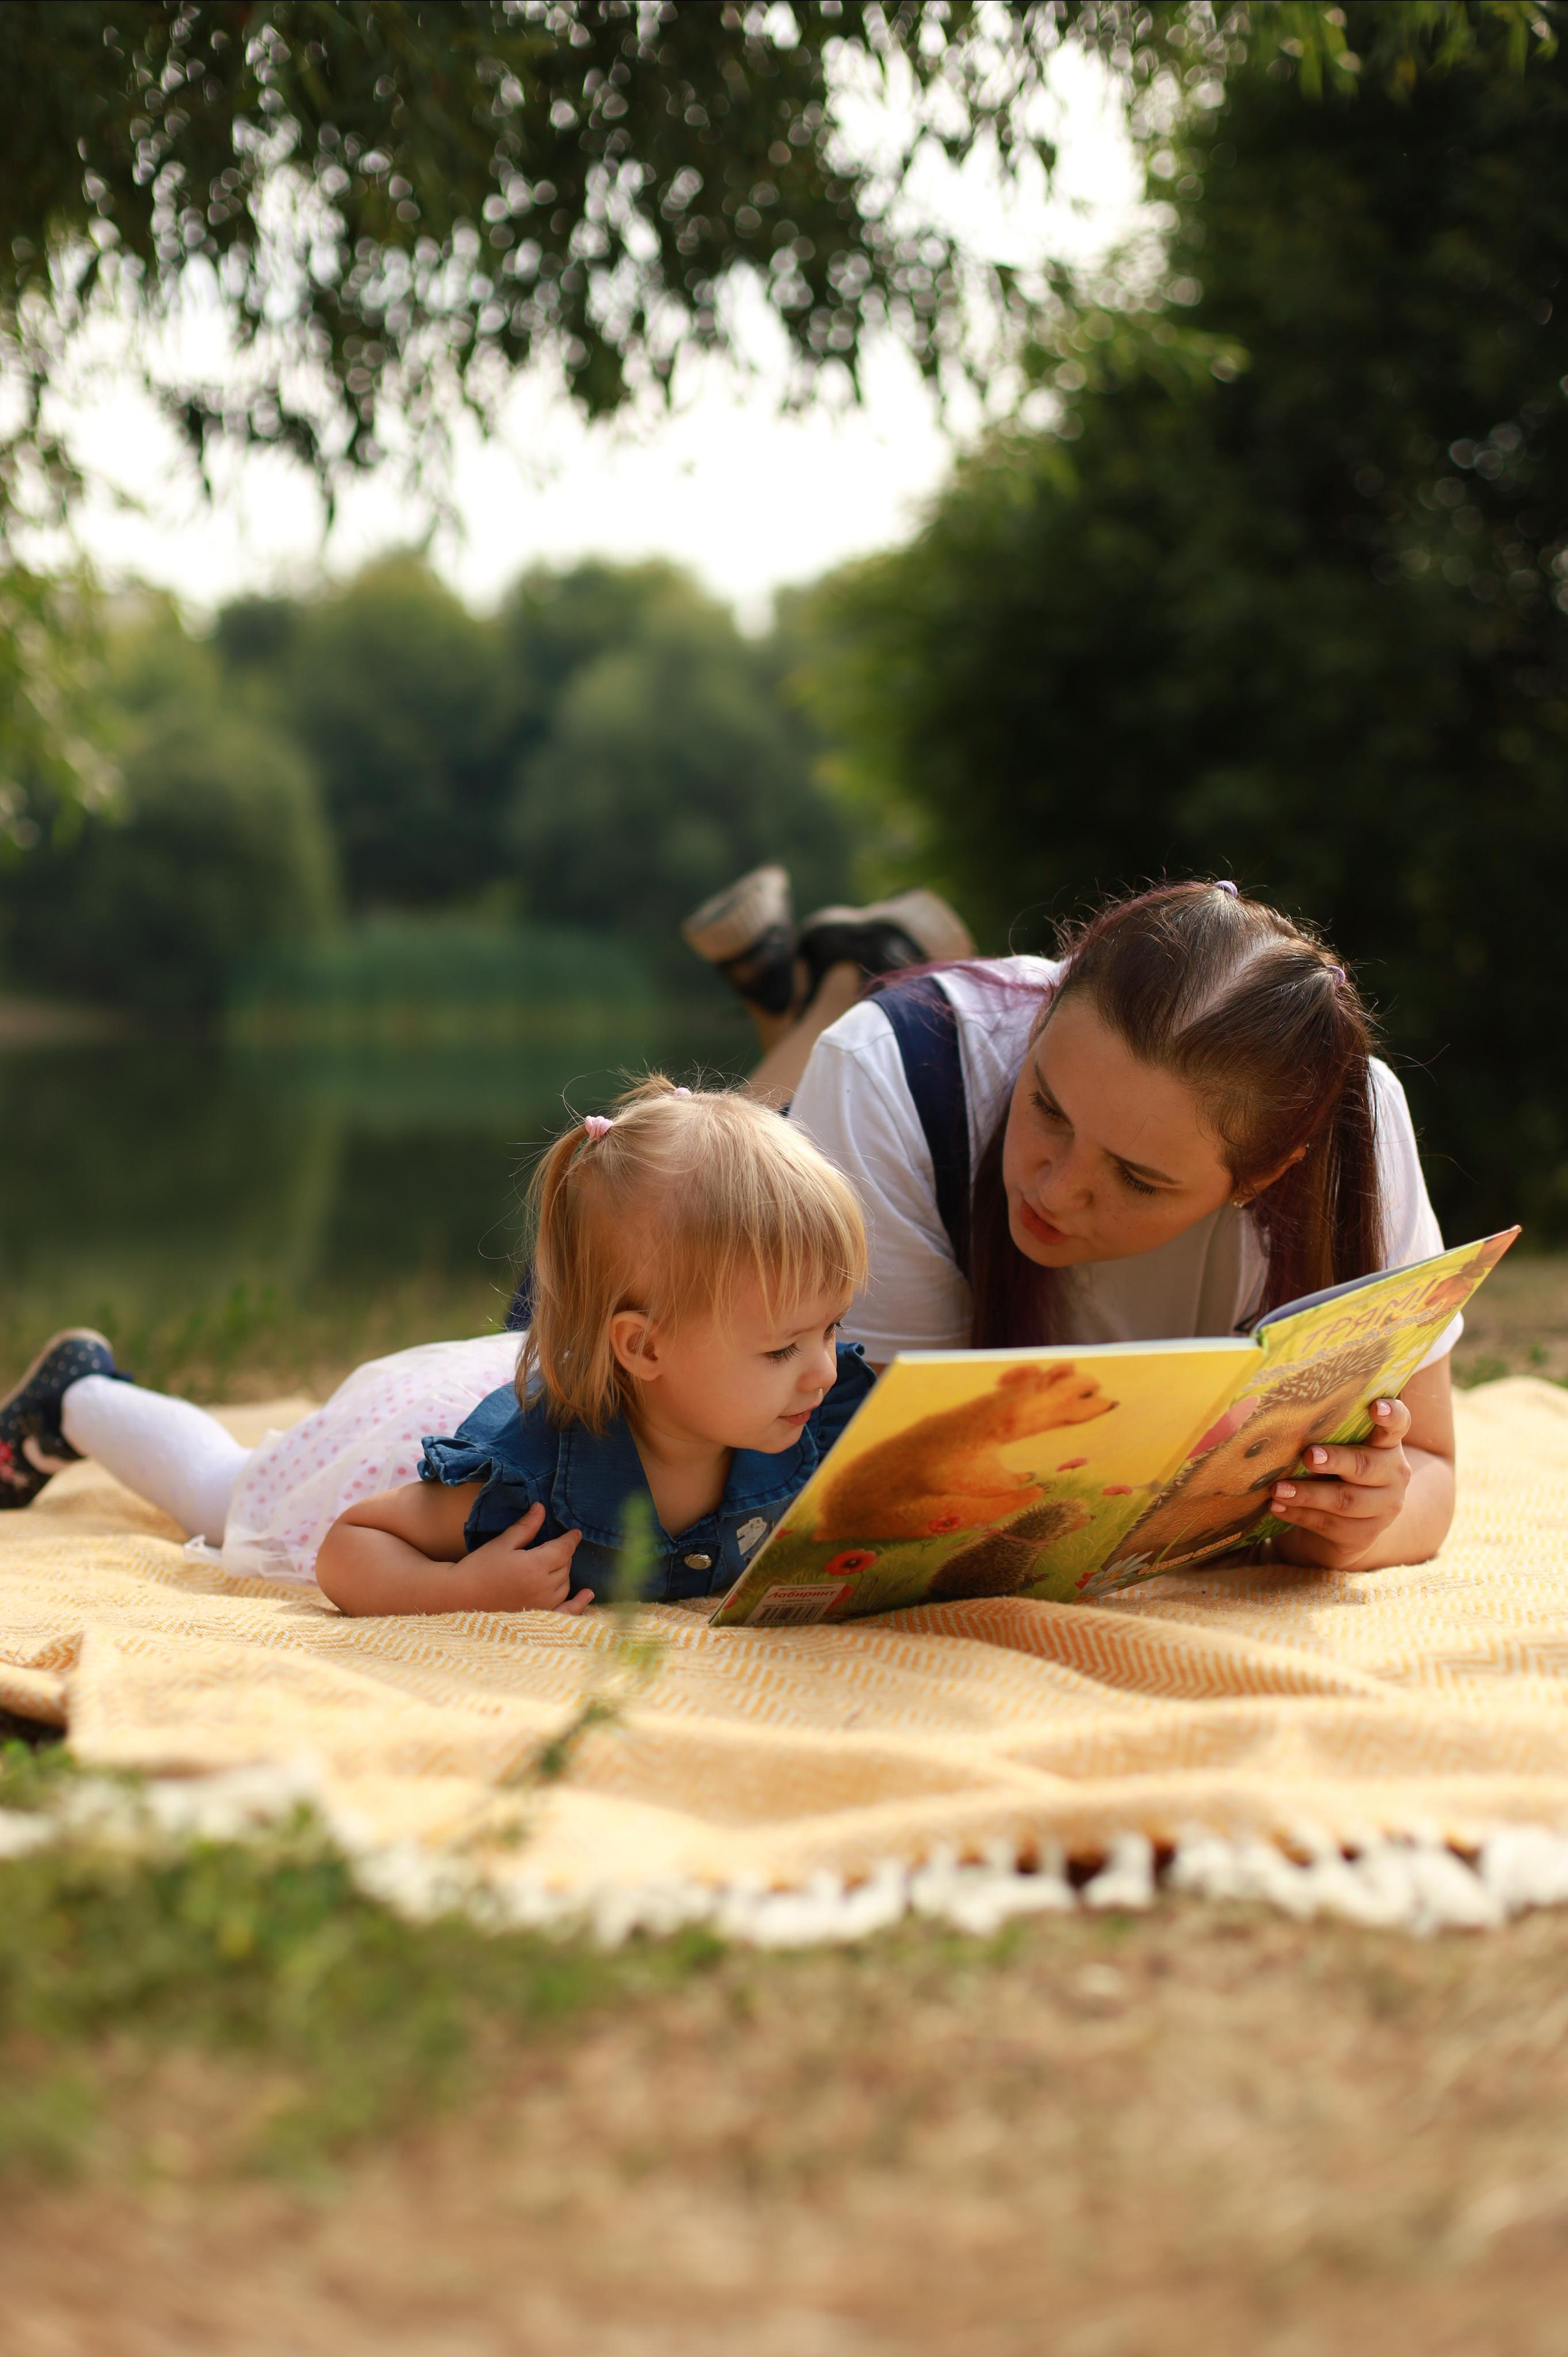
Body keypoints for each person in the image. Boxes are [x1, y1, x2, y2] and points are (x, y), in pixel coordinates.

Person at [682, 871, 1461, 1579]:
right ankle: (839, 989)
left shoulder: (1349, 1130)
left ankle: (817, 987)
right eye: (1047, 1105)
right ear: (1043, 1008)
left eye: (1136, 1177)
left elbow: (1428, 1465)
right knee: (705, 1179)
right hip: (876, 1084)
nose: (1055, 1189)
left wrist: (1357, 1524)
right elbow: (903, 1498)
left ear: (1262, 1175)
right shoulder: (887, 1071)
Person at [0, 1082, 874, 1617]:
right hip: (421, 1430)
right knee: (229, 1494)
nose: (824, 1369)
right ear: (644, 1348)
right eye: (782, 1349)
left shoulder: (799, 1413)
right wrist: (463, 1590)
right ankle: (80, 1395)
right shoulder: (526, 1470)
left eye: (830, 1329)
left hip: (559, 1364)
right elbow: (351, 1546)